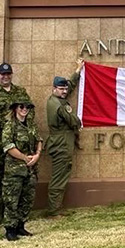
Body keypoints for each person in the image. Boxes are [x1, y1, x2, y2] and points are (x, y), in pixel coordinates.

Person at [0, 63, 33, 225]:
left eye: (8, 74)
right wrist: (15, 122)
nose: (5, 77)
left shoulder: (20, 92)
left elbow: (29, 112)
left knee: (15, 184)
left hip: (18, 147)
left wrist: (21, 122)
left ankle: (12, 219)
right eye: (2, 74)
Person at [45, 60, 84, 217]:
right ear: (54, 89)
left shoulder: (57, 98)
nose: (64, 91)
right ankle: (54, 210)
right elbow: (73, 121)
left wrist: (78, 70)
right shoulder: (58, 105)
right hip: (60, 144)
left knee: (61, 175)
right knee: (59, 178)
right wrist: (79, 121)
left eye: (65, 89)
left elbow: (70, 85)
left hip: (62, 143)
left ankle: (55, 207)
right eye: (61, 89)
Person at [2, 101, 42, 241]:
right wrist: (25, 158)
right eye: (22, 107)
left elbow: (39, 140)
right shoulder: (10, 125)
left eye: (28, 107)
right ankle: (10, 229)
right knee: (12, 200)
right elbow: (8, 146)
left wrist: (37, 154)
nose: (25, 109)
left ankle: (20, 226)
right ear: (15, 108)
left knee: (27, 199)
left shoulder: (30, 124)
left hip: (30, 169)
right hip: (15, 170)